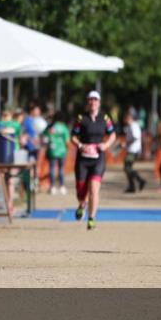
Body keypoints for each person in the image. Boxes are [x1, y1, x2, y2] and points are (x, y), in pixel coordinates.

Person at [70, 90, 116, 230]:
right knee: (81, 191)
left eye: (95, 100)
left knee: (94, 189)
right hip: (83, 160)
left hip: (98, 159)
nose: (93, 102)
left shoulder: (105, 118)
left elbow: (112, 134)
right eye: (90, 99)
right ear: (87, 102)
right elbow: (73, 136)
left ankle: (91, 218)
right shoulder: (81, 118)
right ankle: (82, 204)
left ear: (99, 102)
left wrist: (106, 145)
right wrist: (80, 145)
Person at [44, 111, 70, 196]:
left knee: (52, 169)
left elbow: (44, 136)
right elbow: (67, 141)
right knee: (61, 168)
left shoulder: (50, 127)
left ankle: (52, 187)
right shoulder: (63, 127)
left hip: (52, 150)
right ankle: (62, 186)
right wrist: (68, 149)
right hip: (62, 150)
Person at [122, 109, 147, 193]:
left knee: (127, 167)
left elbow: (135, 137)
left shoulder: (134, 125)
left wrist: (126, 144)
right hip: (131, 150)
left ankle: (140, 181)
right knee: (127, 168)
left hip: (134, 150)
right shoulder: (130, 126)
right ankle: (132, 186)